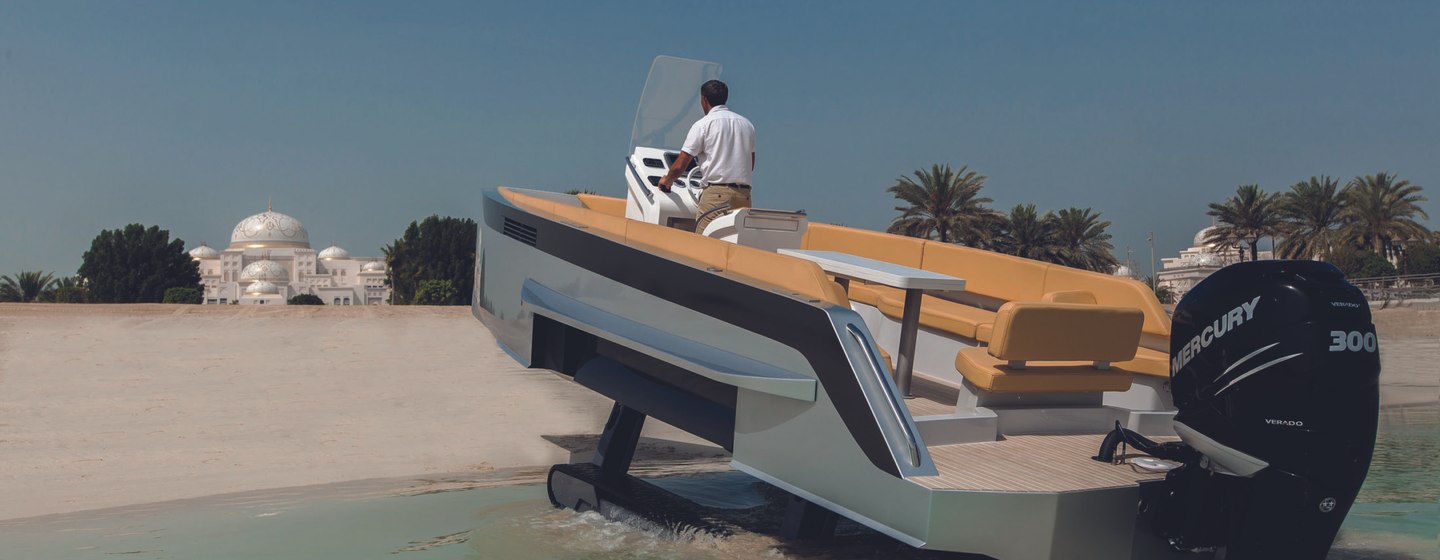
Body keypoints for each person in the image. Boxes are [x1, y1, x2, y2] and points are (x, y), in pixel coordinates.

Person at [656, 79, 756, 234]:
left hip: (716, 196)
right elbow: (750, 164)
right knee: (734, 245)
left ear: (704, 100)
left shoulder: (703, 125)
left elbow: (679, 166)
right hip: (744, 196)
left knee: (705, 244)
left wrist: (666, 181)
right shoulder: (747, 125)